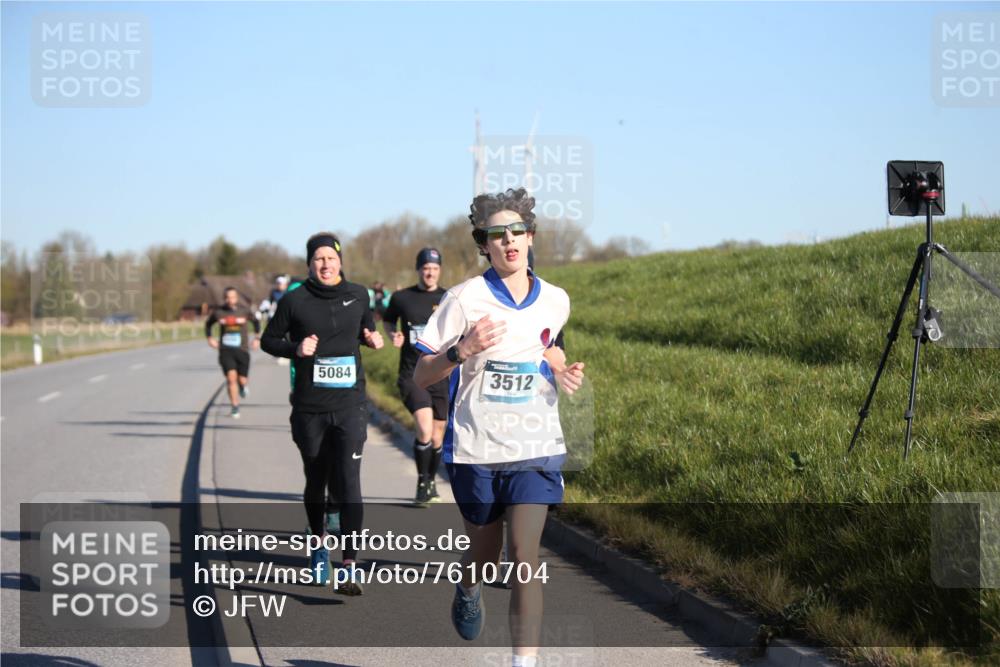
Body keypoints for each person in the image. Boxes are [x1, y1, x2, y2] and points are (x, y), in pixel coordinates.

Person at [413, 188, 585, 667]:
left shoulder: (556, 300)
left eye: (517, 231)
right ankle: (469, 585)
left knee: (524, 557)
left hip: (535, 447)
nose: (508, 240)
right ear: (484, 245)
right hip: (478, 450)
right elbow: (421, 375)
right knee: (485, 557)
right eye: (497, 234)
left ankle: (522, 662)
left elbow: (549, 348)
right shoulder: (462, 299)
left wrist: (560, 370)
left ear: (531, 237)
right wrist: (460, 351)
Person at [261, 232, 384, 593]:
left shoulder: (359, 295)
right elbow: (269, 340)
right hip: (310, 408)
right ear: (309, 264)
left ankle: (349, 566)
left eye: (331, 258)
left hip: (350, 405)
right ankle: (318, 545)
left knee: (349, 482)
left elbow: (365, 329)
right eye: (319, 259)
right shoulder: (294, 300)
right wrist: (295, 348)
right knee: (316, 481)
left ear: (340, 261)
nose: (326, 264)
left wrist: (372, 339)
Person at [382, 247, 449, 506]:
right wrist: (393, 335)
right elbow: (388, 320)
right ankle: (422, 483)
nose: (430, 273)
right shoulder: (402, 298)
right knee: (424, 427)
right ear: (418, 269)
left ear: (439, 270)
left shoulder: (448, 298)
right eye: (426, 268)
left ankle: (431, 481)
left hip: (441, 374)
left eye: (434, 268)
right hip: (412, 374)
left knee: (438, 435)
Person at [205, 287, 261, 419]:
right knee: (231, 379)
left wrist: (257, 339)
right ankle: (235, 407)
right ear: (224, 298)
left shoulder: (244, 310)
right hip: (225, 350)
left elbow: (256, 322)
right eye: (227, 297)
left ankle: (242, 386)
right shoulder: (219, 312)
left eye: (232, 297)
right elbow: (208, 324)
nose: (230, 300)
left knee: (242, 379)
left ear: (236, 297)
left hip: (242, 349)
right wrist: (210, 339)